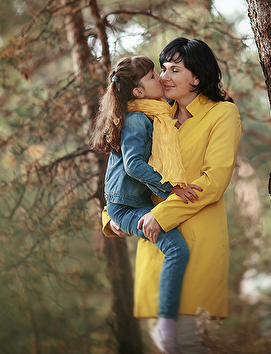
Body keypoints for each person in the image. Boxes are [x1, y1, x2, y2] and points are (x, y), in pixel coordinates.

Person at [103, 38, 242, 354]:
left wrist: (161, 215)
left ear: (197, 77)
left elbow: (213, 181)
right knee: (170, 345)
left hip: (194, 242)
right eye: (162, 69)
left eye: (175, 70)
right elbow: (123, 164)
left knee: (189, 342)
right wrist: (110, 217)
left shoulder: (222, 114)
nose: (164, 76)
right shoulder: (154, 112)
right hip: (154, 243)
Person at [91, 56, 202, 353]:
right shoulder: (138, 119)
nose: (160, 79)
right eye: (153, 76)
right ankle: (165, 328)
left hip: (131, 202)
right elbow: (133, 165)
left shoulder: (155, 113)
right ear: (138, 92)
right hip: (125, 207)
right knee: (177, 249)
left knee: (177, 249)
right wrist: (171, 188)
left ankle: (173, 327)